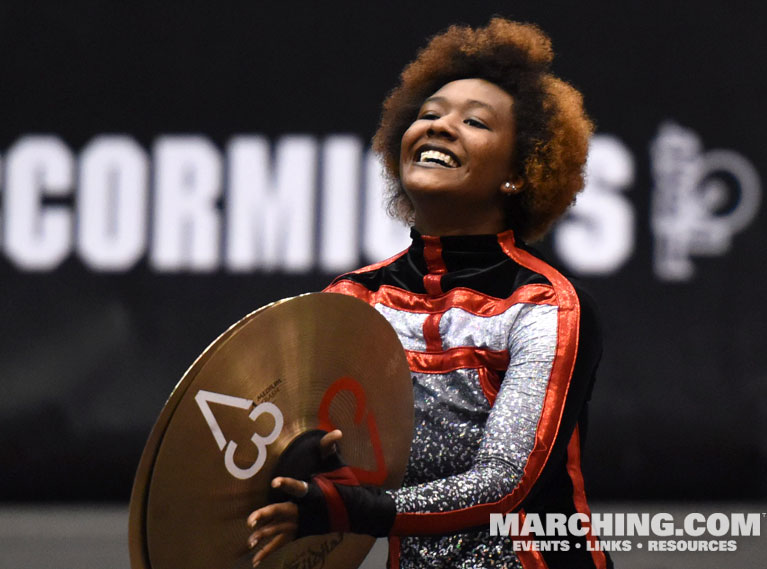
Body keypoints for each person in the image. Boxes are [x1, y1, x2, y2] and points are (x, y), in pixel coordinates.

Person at [247, 17, 610, 569]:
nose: (440, 127)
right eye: (429, 114)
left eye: (474, 122)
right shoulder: (353, 299)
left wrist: (353, 509)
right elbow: (325, 455)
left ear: (518, 173)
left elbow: (502, 485)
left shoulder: (545, 306)